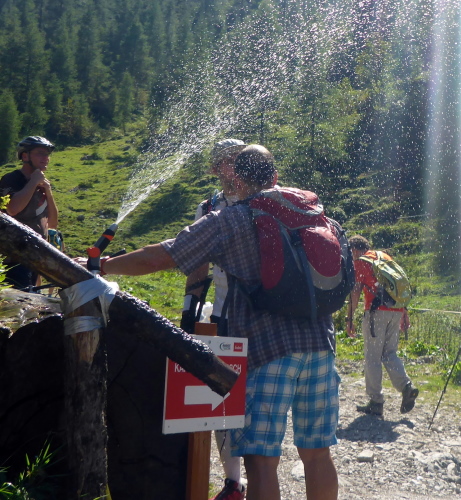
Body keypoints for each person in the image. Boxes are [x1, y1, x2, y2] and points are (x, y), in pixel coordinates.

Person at [78, 145, 339, 500]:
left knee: (261, 461)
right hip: (321, 345)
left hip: (269, 349)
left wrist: (102, 265)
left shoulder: (230, 219)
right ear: (275, 177)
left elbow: (163, 256)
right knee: (318, 454)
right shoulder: (310, 213)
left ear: (237, 179)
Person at [181, 139, 247, 500]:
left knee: (258, 399)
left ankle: (258, 475)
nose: (233, 166)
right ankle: (233, 481)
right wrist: (189, 310)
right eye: (226, 161)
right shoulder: (207, 208)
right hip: (222, 314)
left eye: (239, 159)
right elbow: (197, 263)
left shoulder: (265, 200)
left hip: (264, 319)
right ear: (215, 167)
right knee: (222, 395)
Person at [346, 235, 418, 417]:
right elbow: (397, 287)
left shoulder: (361, 262)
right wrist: (404, 311)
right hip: (396, 310)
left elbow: (355, 291)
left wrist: (350, 318)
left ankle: (376, 401)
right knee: (389, 353)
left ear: (354, 250)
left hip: (376, 312)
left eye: (350, 252)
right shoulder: (384, 257)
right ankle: (407, 387)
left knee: (372, 357)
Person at [0, 136, 58, 289]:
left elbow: (52, 224)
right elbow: (12, 209)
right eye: (40, 153)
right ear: (25, 156)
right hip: (14, 259)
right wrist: (33, 182)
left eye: (47, 154)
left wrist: (48, 192)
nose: (45, 158)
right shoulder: (11, 179)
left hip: (35, 258)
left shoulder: (41, 184)